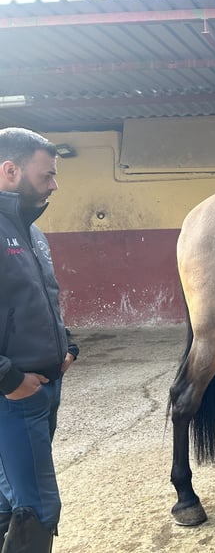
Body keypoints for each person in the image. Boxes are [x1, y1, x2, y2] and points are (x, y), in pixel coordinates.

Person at [0, 127, 79, 552]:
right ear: (10, 171)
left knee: (8, 497)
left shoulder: (32, 232)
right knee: (38, 508)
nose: (54, 184)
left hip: (44, 387)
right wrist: (9, 379)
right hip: (14, 396)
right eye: (46, 175)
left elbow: (42, 297)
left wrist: (66, 344)